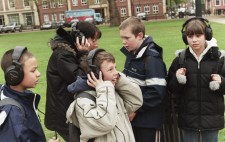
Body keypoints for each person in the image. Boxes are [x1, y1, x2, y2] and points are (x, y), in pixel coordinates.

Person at [167, 17, 225, 142]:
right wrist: (177, 79)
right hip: (188, 121)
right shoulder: (180, 60)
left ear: (207, 35)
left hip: (211, 121)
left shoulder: (219, 59)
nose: (194, 40)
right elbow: (171, 89)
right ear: (185, 37)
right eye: (190, 36)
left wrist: (221, 82)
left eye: (198, 35)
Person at [66, 48, 143, 142]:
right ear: (96, 73)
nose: (116, 73)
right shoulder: (82, 101)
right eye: (110, 69)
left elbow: (135, 101)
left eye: (115, 68)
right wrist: (103, 89)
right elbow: (106, 123)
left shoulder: (111, 92)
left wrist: (119, 82)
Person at [44, 21, 102, 142]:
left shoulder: (69, 53)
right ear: (80, 39)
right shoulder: (63, 55)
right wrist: (84, 54)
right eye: (93, 40)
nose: (96, 44)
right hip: (63, 117)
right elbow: (82, 79)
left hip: (69, 112)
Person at [119, 16, 167, 142]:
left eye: (127, 38)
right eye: (121, 38)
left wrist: (135, 109)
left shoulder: (152, 59)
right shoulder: (131, 54)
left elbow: (156, 93)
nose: (123, 42)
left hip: (148, 123)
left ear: (140, 35)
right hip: (134, 121)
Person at [0, 46, 59, 142]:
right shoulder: (13, 114)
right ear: (14, 75)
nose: (38, 74)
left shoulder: (19, 95)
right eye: (33, 70)